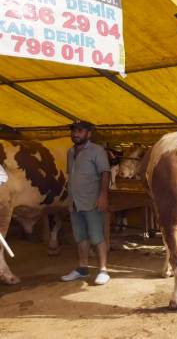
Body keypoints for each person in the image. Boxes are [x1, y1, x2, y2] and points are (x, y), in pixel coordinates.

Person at [61, 121, 112, 285]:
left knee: (97, 236)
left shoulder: (97, 150)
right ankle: (82, 268)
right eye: (74, 131)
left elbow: (105, 173)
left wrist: (103, 196)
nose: (75, 134)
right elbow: (73, 176)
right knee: (80, 236)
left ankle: (103, 270)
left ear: (88, 133)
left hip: (92, 201)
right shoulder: (70, 152)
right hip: (75, 202)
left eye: (80, 131)